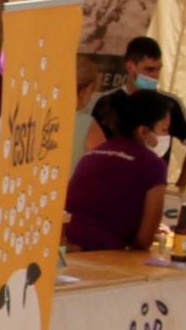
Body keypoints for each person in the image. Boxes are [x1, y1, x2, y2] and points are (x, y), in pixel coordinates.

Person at [62, 88, 178, 255]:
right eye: (165, 129)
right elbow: (143, 240)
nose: (167, 136)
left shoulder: (93, 154)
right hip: (101, 254)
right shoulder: (153, 165)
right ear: (143, 131)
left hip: (65, 246)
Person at [121, 34, 186, 182]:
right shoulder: (104, 102)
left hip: (153, 185)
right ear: (130, 67)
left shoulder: (169, 103)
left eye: (159, 69)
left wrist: (180, 186)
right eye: (149, 70)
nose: (155, 76)